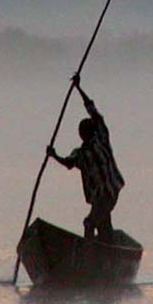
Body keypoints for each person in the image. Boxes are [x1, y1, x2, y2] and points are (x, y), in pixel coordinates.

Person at [47, 72, 125, 241]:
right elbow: (68, 162)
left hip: (109, 192)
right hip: (99, 197)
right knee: (103, 226)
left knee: (90, 223)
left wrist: (79, 88)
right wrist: (53, 155)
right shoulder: (81, 153)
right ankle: (107, 249)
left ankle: (88, 255)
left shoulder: (101, 138)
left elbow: (94, 113)